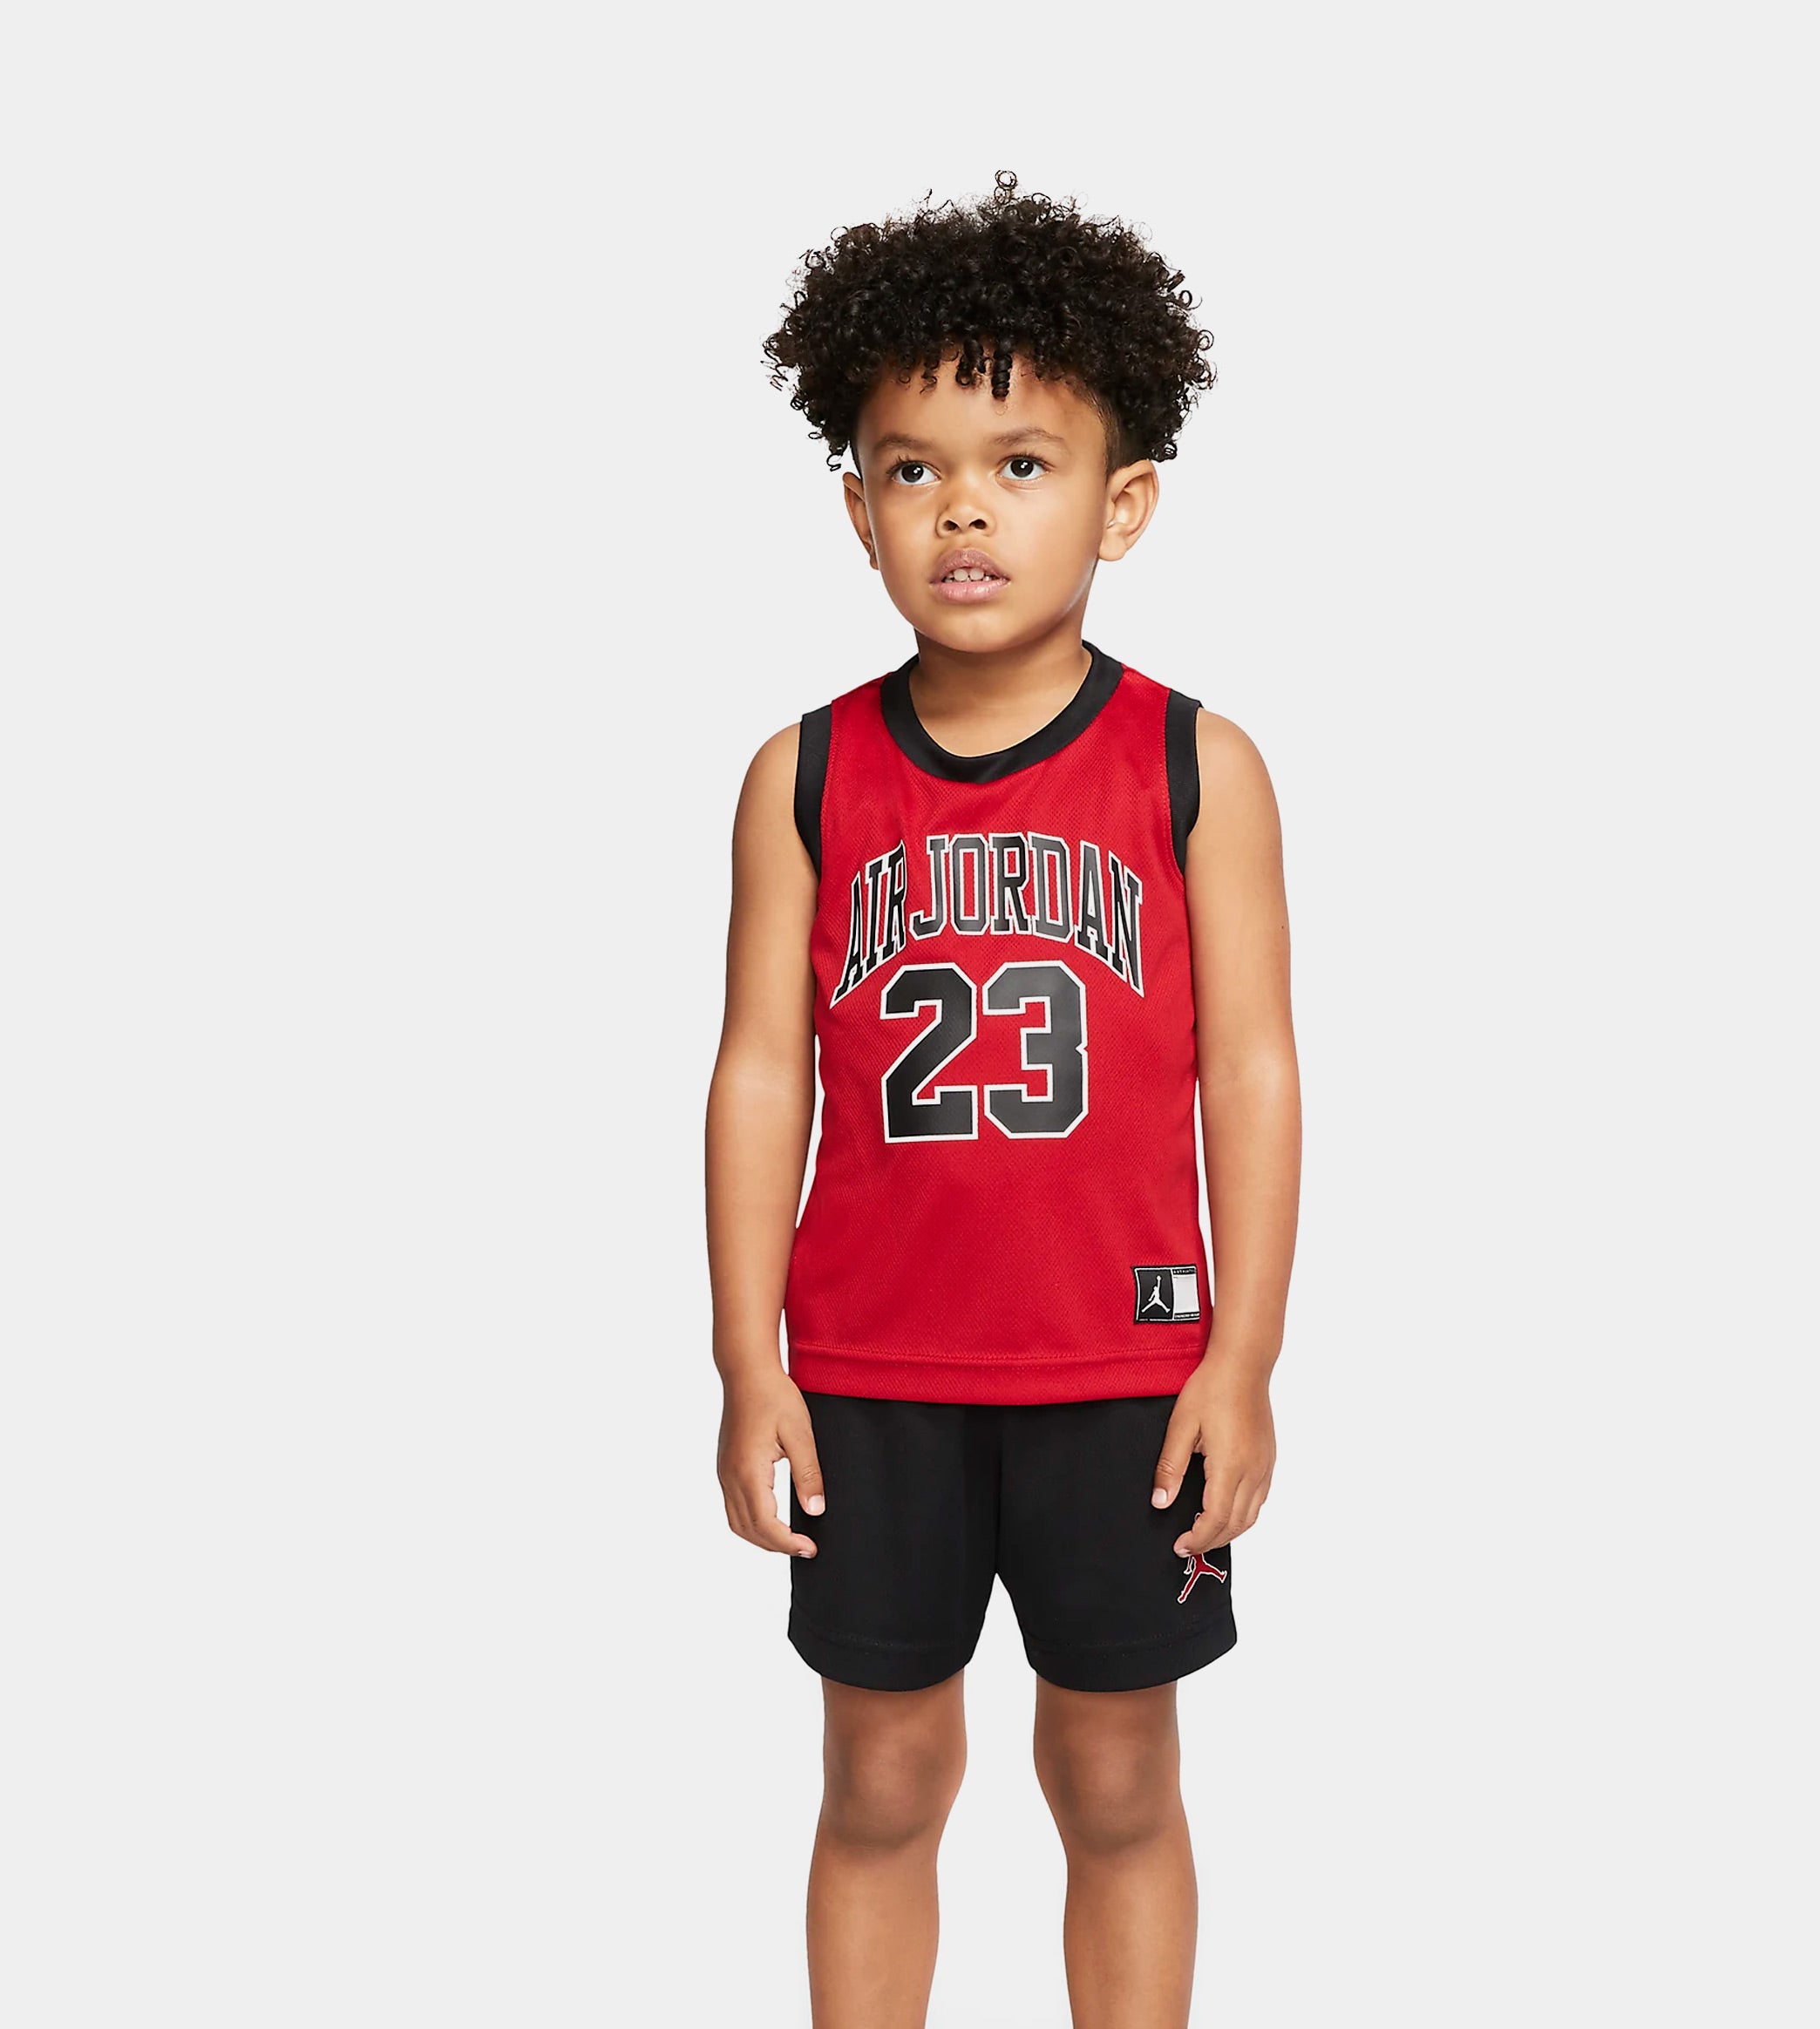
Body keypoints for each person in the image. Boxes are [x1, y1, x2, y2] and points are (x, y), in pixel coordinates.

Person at [706, 171, 1301, 2028]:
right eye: (914, 467)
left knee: (1116, 1779)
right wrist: (745, 1359)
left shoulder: (1196, 764)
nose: (963, 506)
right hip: (873, 1371)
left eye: (1021, 464)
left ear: (1122, 503)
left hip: (1121, 1370)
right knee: (882, 1779)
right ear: (861, 505)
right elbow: (758, 1072)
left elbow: (1253, 1072)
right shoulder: (803, 774)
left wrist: (1242, 1357)